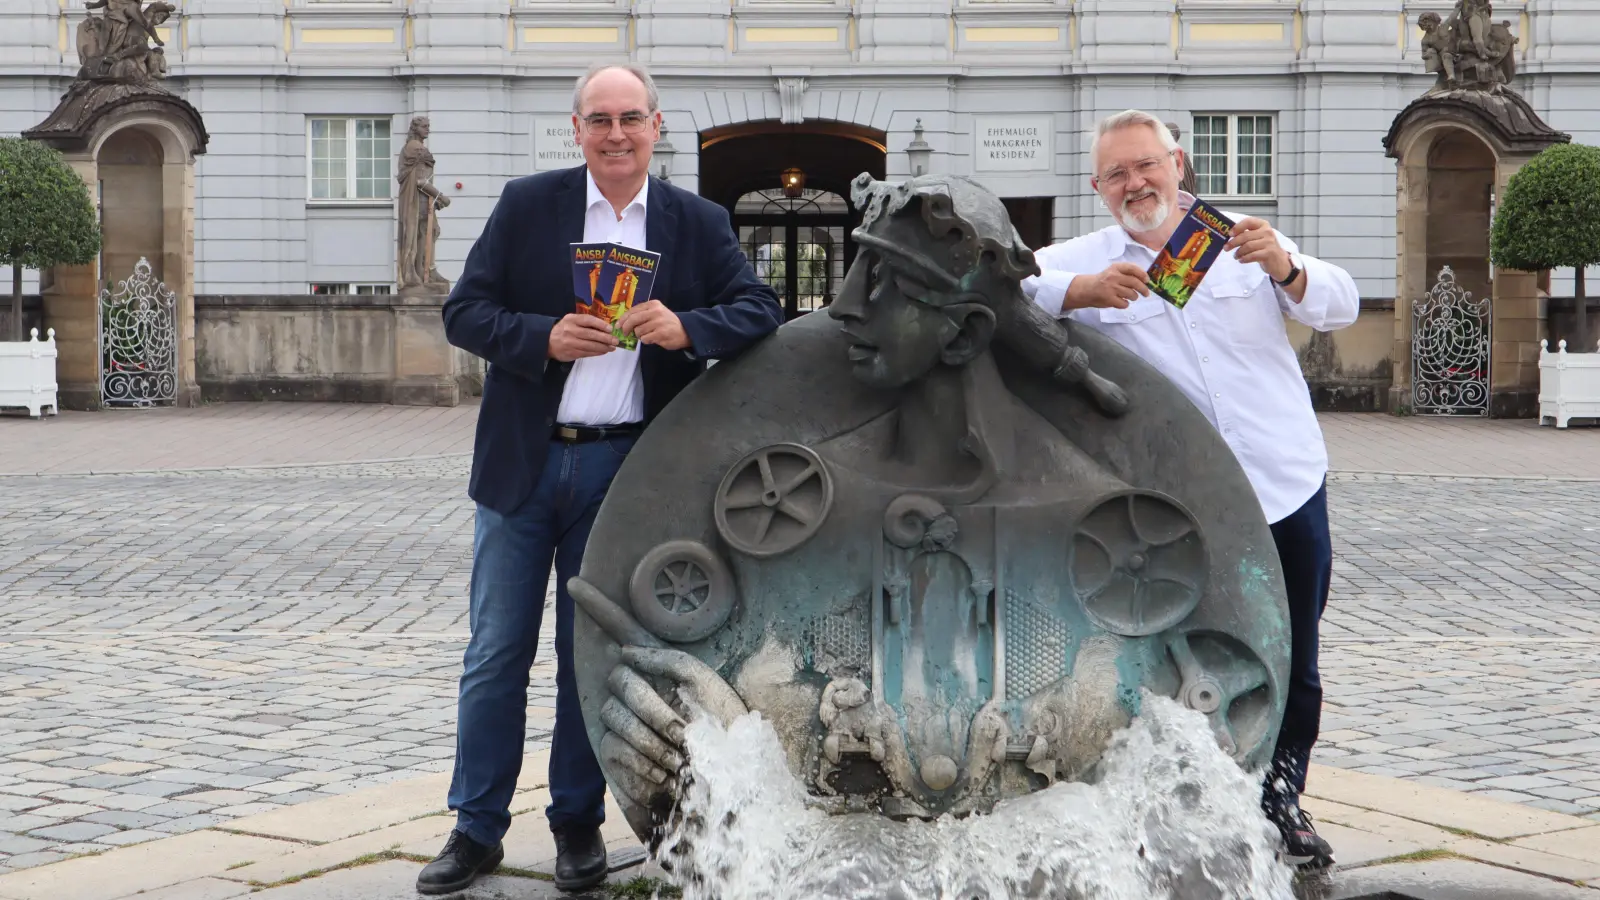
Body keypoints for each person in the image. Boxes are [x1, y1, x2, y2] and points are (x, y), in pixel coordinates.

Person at [420, 63, 783, 894]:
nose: (616, 134)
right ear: (576, 129)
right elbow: (463, 311)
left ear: (657, 126)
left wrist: (683, 325)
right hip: (525, 460)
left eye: (630, 119)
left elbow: (759, 311)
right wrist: (539, 337)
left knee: (588, 655)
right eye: (600, 120)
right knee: (493, 654)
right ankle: (475, 828)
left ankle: (575, 826)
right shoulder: (528, 206)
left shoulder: (695, 222)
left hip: (624, 466)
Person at [1021, 109, 1359, 870]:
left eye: (1147, 165)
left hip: (1283, 479)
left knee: (1294, 653)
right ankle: (1171, 804)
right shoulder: (1088, 255)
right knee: (1167, 651)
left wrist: (1285, 267)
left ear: (1179, 162)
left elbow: (1337, 301)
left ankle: (1283, 801)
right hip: (1181, 503)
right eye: (1117, 174)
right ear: (1097, 187)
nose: (1136, 183)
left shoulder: (1236, 235)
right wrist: (1081, 291)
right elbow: (1010, 283)